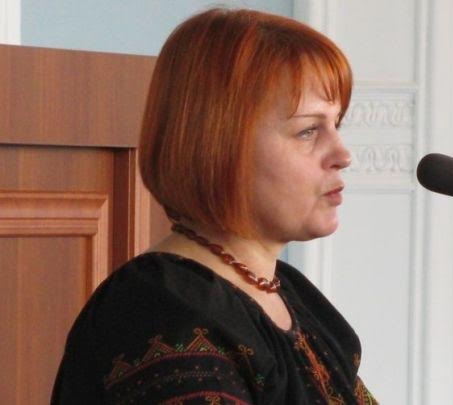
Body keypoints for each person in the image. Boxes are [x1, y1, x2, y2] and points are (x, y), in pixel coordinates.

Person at [51, 7, 377, 404]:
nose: (343, 155)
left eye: (335, 124)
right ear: (219, 145)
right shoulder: (161, 315)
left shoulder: (294, 295)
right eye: (308, 130)